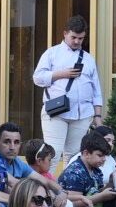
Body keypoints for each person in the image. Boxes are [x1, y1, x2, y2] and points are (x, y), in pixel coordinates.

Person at [31, 15, 104, 160]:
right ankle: (46, 183)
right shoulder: (52, 53)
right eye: (74, 37)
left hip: (82, 114)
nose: (77, 41)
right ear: (65, 34)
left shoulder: (89, 59)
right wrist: (60, 74)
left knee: (75, 156)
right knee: (52, 154)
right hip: (57, 112)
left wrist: (98, 116)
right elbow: (37, 78)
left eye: (81, 38)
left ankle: (67, 183)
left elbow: (96, 90)